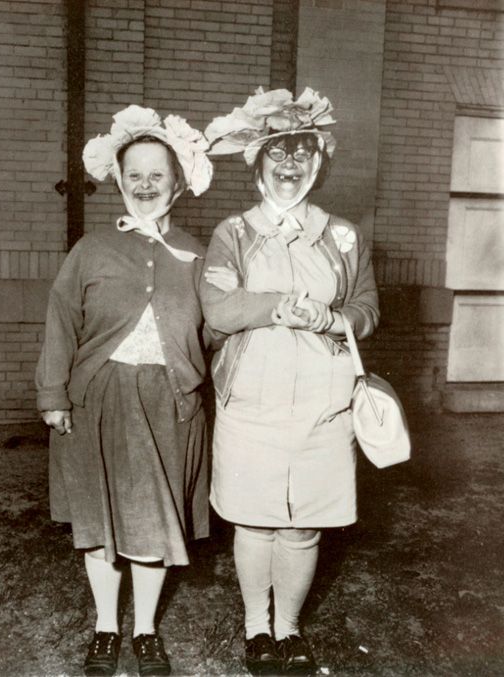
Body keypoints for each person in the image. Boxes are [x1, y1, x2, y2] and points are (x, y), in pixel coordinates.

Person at [200, 87, 379, 675]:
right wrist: (276, 306)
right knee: (255, 520)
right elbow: (218, 308)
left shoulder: (344, 236)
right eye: (277, 151)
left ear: (318, 164)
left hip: (325, 406)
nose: (289, 163)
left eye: (303, 152)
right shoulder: (233, 233)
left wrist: (332, 318)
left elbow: (367, 310)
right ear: (257, 164)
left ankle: (290, 628)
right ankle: (257, 628)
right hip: (251, 400)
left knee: (303, 527)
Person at [35, 105, 214, 677]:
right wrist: (54, 395)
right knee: (100, 521)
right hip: (98, 399)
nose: (145, 185)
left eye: (157, 174)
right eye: (134, 174)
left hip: (169, 402)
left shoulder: (199, 255)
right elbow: (61, 321)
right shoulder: (90, 249)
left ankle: (146, 631)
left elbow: (217, 333)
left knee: (153, 523)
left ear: (178, 183)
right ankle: (107, 627)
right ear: (119, 181)